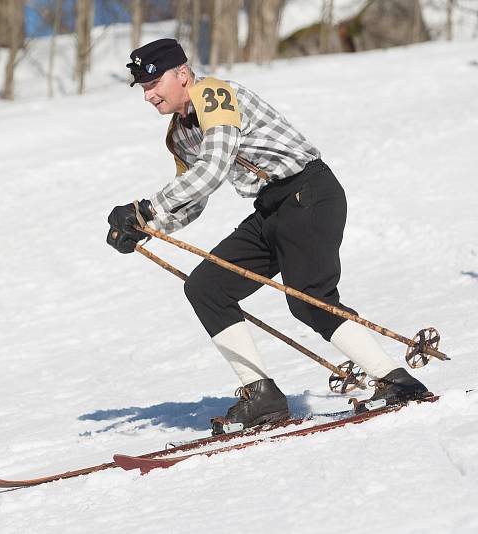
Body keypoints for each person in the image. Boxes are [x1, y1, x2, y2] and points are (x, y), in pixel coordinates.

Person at [106, 38, 430, 429]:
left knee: (309, 299)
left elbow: (213, 167)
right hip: (271, 209)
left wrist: (148, 208)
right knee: (207, 286)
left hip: (309, 192)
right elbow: (193, 198)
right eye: (143, 88)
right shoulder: (179, 135)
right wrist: (146, 227)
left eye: (153, 84)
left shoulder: (213, 94)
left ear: (182, 74)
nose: (148, 95)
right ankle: (262, 397)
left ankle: (397, 381)